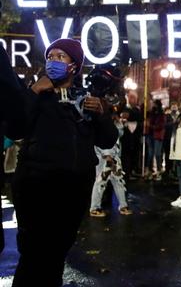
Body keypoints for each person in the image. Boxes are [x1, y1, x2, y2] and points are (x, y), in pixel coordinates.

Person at [4, 38, 118, 286]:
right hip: (36, 186)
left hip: (73, 188)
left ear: (74, 66)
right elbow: (14, 129)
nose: (53, 61)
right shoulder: (34, 94)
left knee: (57, 254)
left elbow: (108, 140)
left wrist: (101, 114)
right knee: (34, 255)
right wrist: (33, 92)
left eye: (60, 56)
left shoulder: (87, 99)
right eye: (50, 56)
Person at [90, 114, 132, 216]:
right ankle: (94, 208)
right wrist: (107, 156)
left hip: (115, 156)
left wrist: (118, 123)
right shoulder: (101, 123)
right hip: (106, 158)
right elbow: (99, 140)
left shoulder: (113, 124)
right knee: (101, 181)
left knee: (118, 181)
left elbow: (120, 134)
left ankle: (123, 205)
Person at [120, 91, 143, 181]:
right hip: (126, 138)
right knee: (126, 156)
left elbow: (138, 117)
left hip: (135, 138)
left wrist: (130, 116)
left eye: (133, 98)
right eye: (130, 97)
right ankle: (126, 172)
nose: (131, 99)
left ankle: (132, 170)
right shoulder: (124, 108)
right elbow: (124, 115)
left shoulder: (137, 110)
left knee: (134, 155)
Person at [144, 99, 166, 180]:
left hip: (157, 136)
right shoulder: (151, 113)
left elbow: (161, 125)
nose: (153, 105)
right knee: (150, 153)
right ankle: (149, 170)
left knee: (157, 153)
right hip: (150, 135)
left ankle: (159, 170)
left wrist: (152, 126)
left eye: (154, 104)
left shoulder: (161, 114)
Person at [163, 102, 181, 181]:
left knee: (177, 155)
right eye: (173, 106)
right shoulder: (167, 116)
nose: (174, 108)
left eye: (175, 106)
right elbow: (165, 125)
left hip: (178, 138)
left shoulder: (180, 116)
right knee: (168, 154)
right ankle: (168, 170)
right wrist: (172, 123)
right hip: (168, 137)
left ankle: (176, 171)